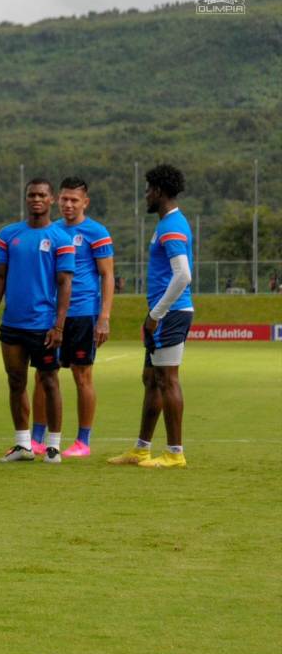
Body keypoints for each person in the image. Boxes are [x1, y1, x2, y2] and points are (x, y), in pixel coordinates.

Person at [108, 164, 193, 469]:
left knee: (168, 380)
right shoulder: (167, 224)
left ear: (158, 191)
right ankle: (141, 449)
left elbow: (183, 275)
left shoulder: (172, 226)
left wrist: (156, 313)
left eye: (148, 190)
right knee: (151, 379)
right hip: (162, 312)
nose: (145, 195)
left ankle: (174, 453)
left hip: (170, 313)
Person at [0, 178, 75, 464]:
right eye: (31, 195)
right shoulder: (9, 234)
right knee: (16, 382)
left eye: (41, 195)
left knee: (49, 381)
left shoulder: (61, 238)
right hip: (13, 324)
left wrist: (59, 325)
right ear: (26, 199)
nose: (36, 199)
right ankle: (23, 444)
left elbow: (65, 283)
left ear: (51, 200)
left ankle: (53, 445)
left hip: (44, 325)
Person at [29, 178, 113, 458]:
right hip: (51, 316)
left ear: (85, 202)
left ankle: (82, 442)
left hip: (83, 314)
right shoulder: (50, 231)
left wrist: (104, 317)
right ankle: (37, 438)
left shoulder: (96, 232)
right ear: (57, 200)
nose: (68, 204)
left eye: (74, 200)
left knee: (82, 375)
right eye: (64, 199)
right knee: (42, 375)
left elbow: (107, 275)